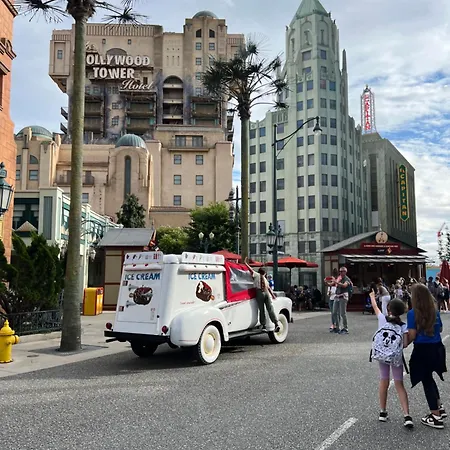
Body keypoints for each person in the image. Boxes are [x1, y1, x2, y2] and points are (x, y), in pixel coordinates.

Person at [369, 290, 413, 428]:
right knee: (399, 384)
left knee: (384, 381)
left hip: (382, 355)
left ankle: (383, 412)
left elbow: (375, 307)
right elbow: (405, 344)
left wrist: (372, 297)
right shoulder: (403, 326)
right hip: (396, 357)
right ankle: (406, 415)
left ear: (388, 309)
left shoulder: (383, 319)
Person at [406, 283, 447, 429]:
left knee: (426, 380)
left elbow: (412, 335)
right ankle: (439, 407)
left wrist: (404, 343)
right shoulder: (434, 311)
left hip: (422, 349)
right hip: (437, 347)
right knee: (430, 378)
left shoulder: (412, 313)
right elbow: (440, 329)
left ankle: (435, 416)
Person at [244, 258, 280, 332]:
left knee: (261, 309)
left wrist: (245, 263)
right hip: (266, 292)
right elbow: (268, 288)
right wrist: (273, 295)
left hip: (259, 292)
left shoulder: (256, 275)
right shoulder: (265, 279)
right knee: (270, 308)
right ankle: (276, 323)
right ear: (265, 273)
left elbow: (250, 269)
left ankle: (263, 325)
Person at [333, 267, 352, 334]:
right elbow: (334, 284)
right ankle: (337, 327)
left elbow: (344, 285)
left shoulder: (347, 279)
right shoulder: (339, 278)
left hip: (343, 297)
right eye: (340, 271)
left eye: (342, 271)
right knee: (334, 312)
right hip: (337, 296)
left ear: (345, 272)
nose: (340, 272)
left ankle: (345, 328)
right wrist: (327, 282)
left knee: (342, 313)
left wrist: (336, 282)